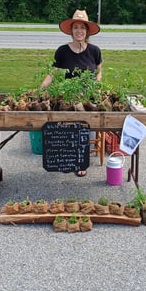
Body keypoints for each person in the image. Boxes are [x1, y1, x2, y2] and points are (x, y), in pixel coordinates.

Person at [41, 9, 103, 177]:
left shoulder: (94, 51)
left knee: (85, 122)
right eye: (75, 27)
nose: (79, 31)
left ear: (87, 31)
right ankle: (68, 158)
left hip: (88, 96)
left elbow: (99, 72)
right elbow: (53, 73)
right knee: (69, 119)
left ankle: (81, 161)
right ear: (71, 31)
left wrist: (96, 86)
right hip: (67, 96)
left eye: (82, 27)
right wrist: (42, 87)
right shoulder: (62, 51)